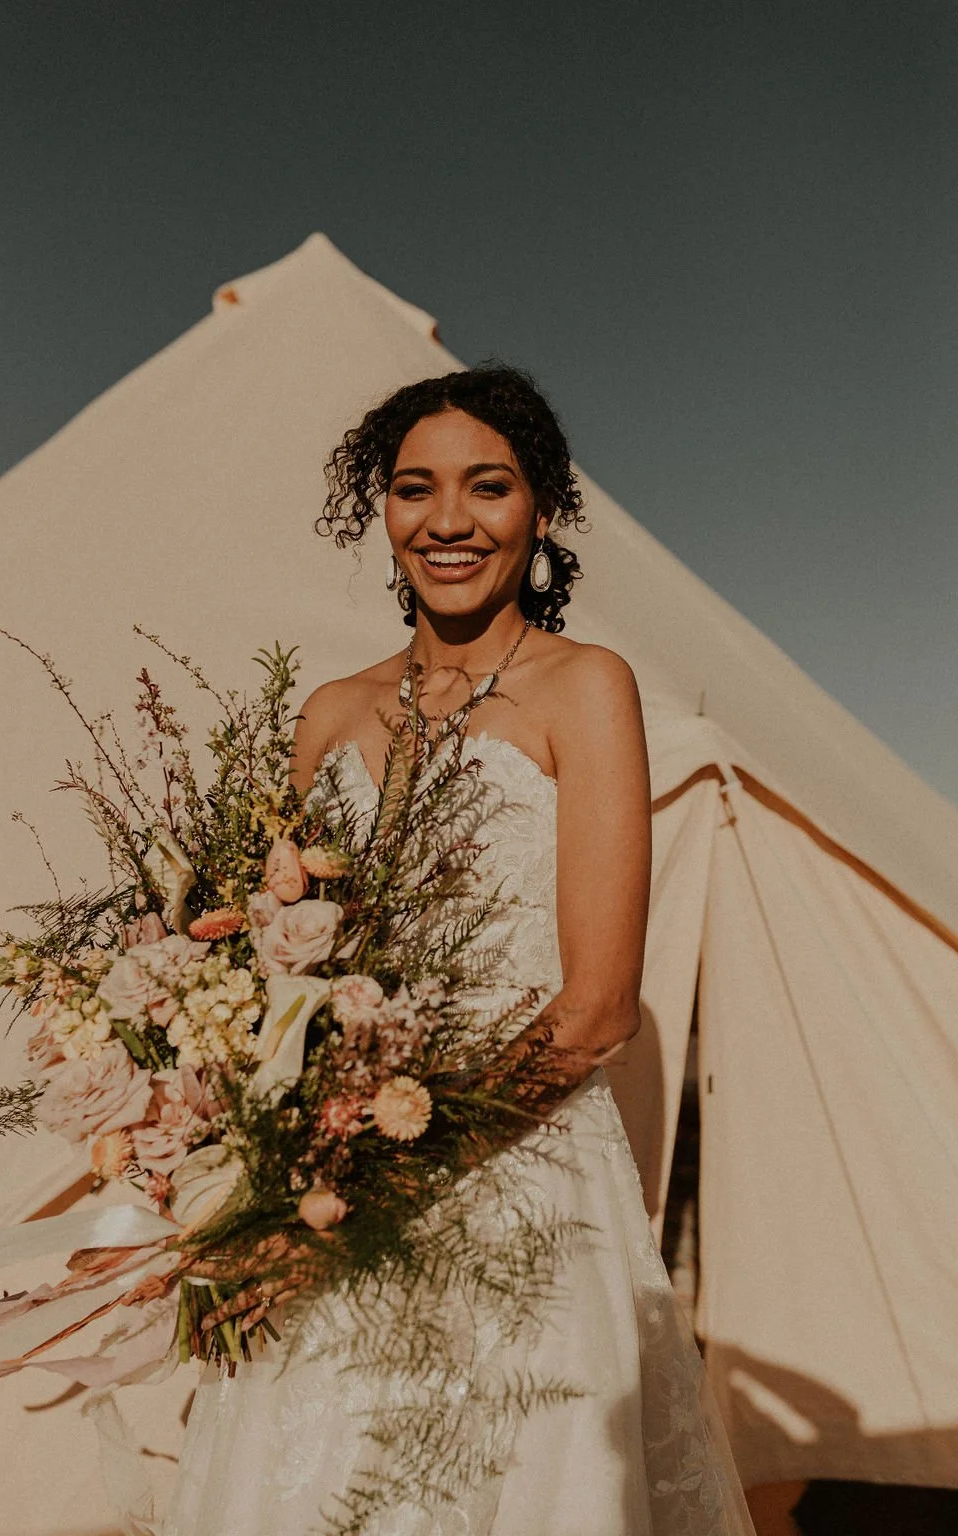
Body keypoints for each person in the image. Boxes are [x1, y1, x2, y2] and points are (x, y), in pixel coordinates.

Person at [163, 365, 756, 1535]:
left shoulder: (586, 688)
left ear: (539, 511)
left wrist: (368, 1188)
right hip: (324, 1188)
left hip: (513, 1179)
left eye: (487, 488)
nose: (447, 521)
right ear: (377, 513)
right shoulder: (328, 710)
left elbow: (596, 1010)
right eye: (413, 489)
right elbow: (273, 963)